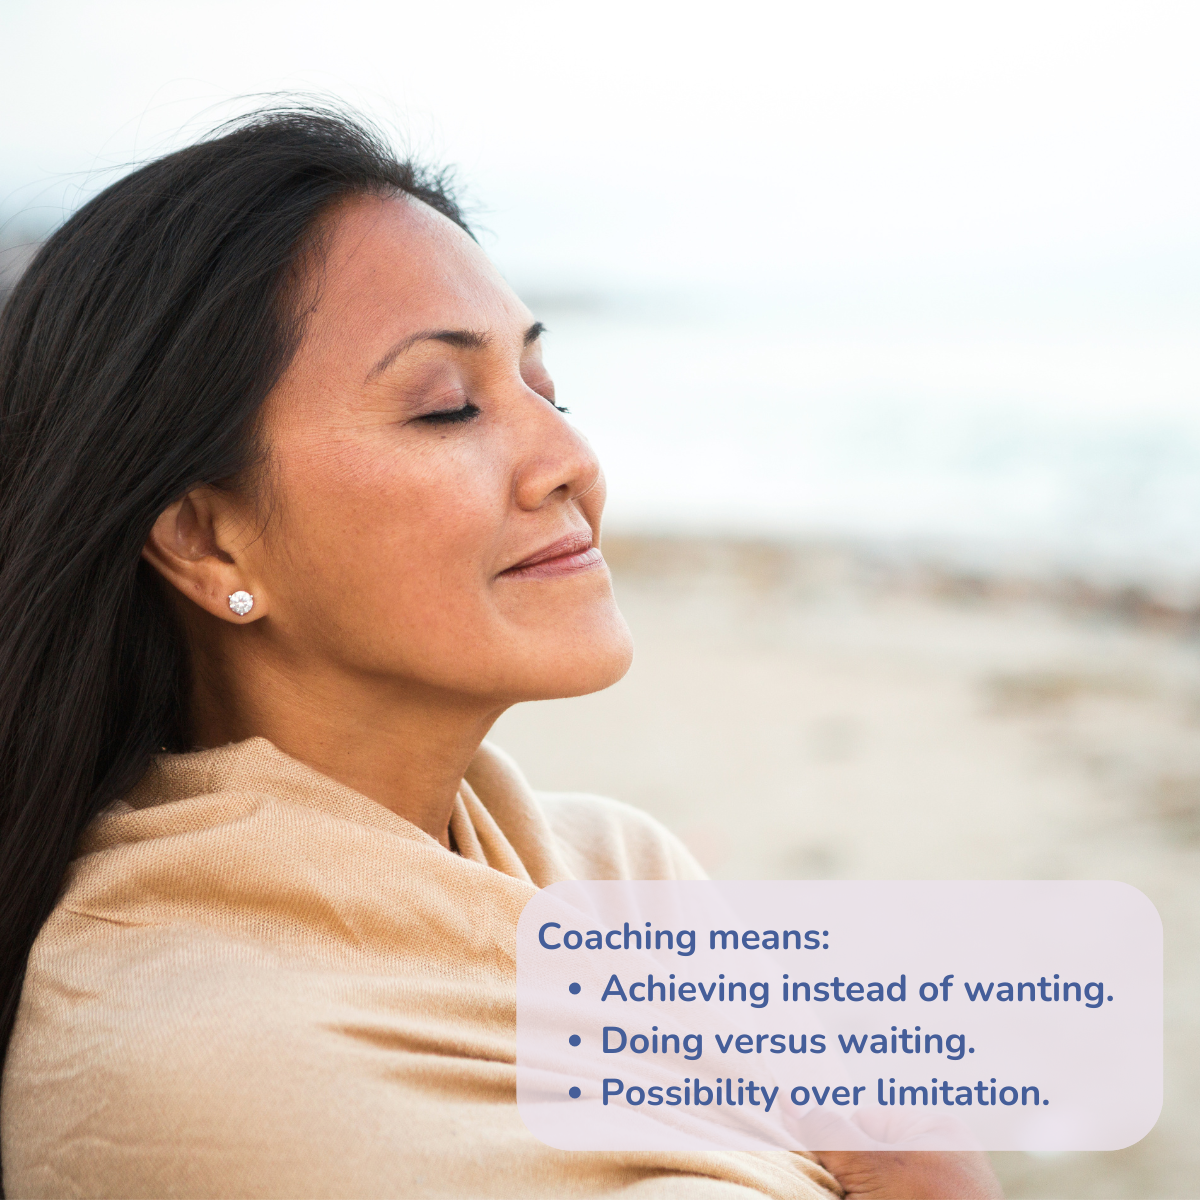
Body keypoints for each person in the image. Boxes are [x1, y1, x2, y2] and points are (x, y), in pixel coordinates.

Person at [0, 106, 1001, 1199]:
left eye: (545, 388)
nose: (569, 458)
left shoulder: (620, 875)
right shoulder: (185, 1062)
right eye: (446, 409)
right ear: (203, 536)